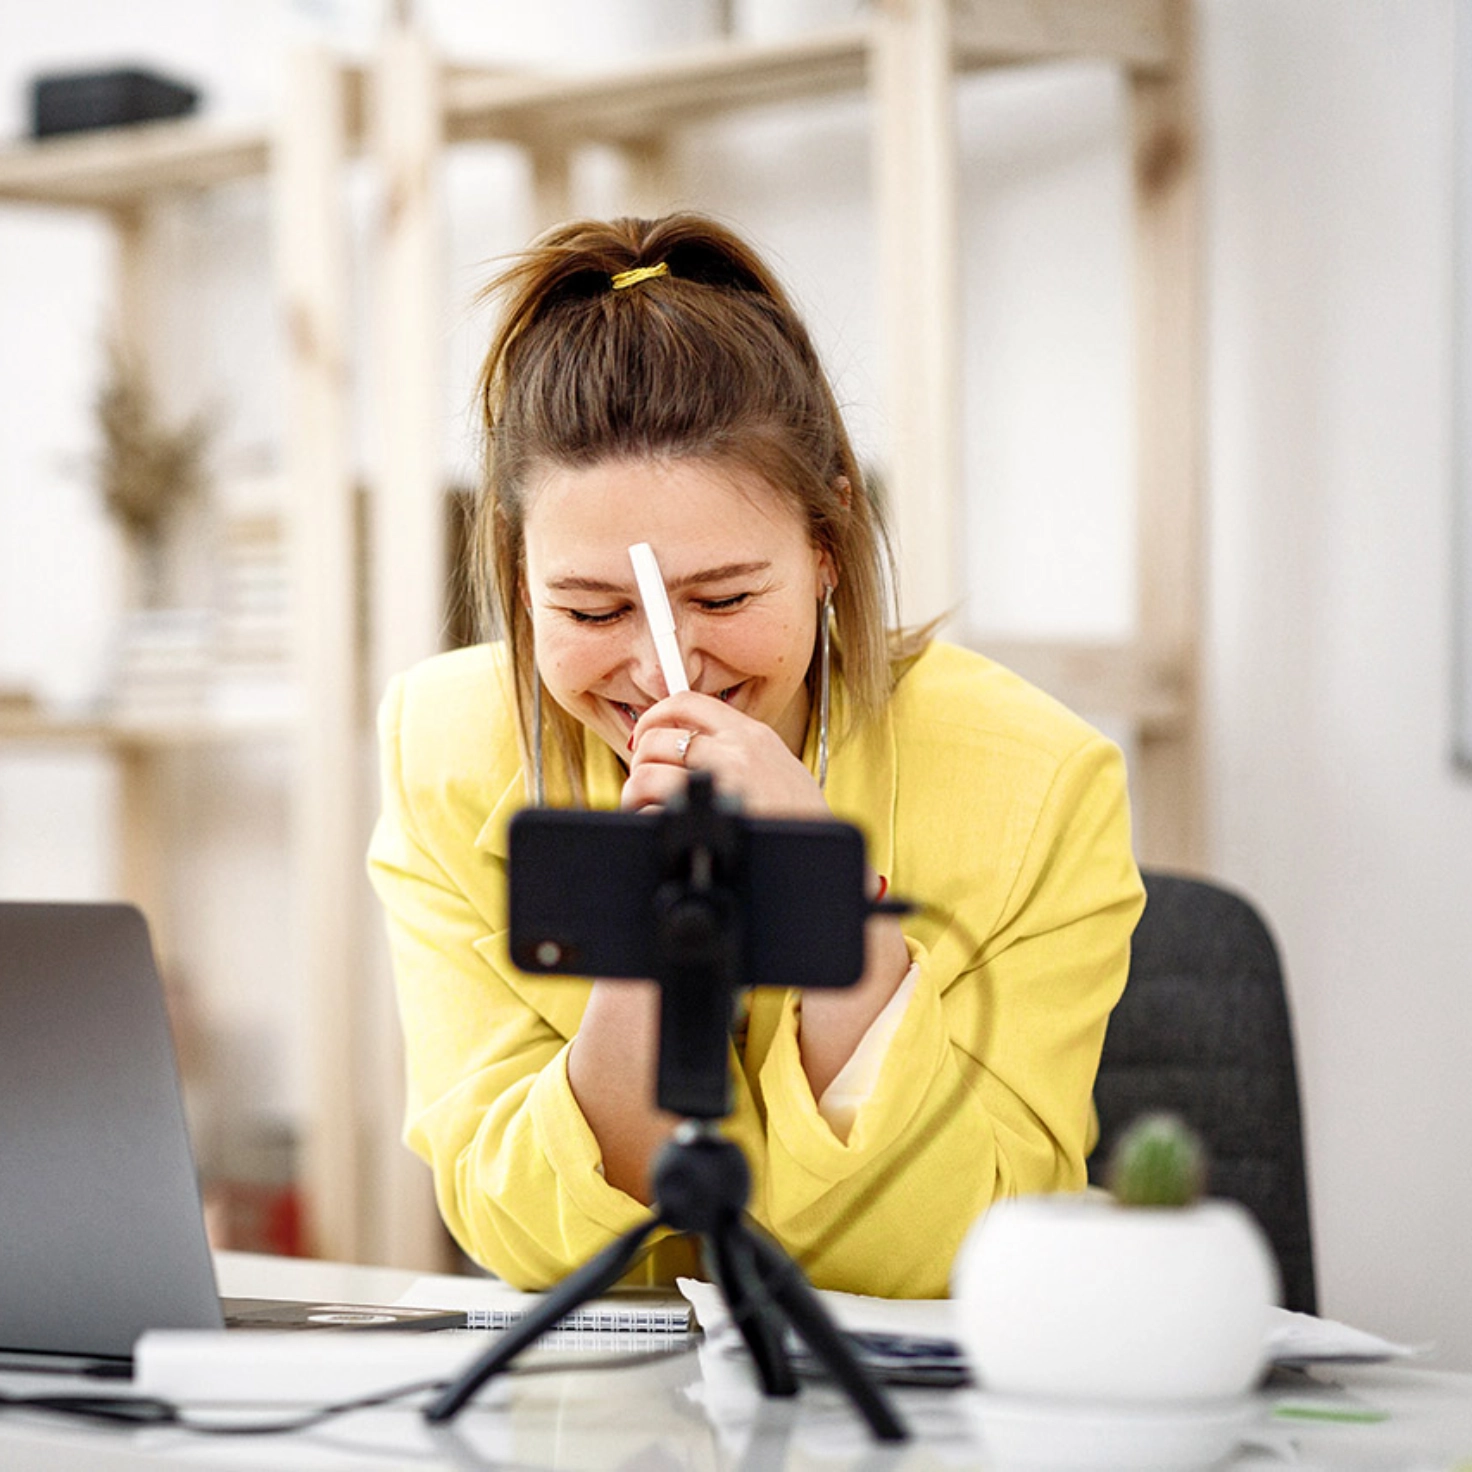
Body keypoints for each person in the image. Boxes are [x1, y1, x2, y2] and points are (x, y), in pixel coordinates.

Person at [367, 212, 1144, 1299]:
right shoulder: (445, 749)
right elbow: (530, 1240)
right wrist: (640, 934)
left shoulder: (1037, 781)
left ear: (827, 545)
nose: (663, 669)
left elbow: (968, 1251)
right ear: (516, 568)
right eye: (590, 610)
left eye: (726, 598)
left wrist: (827, 911)